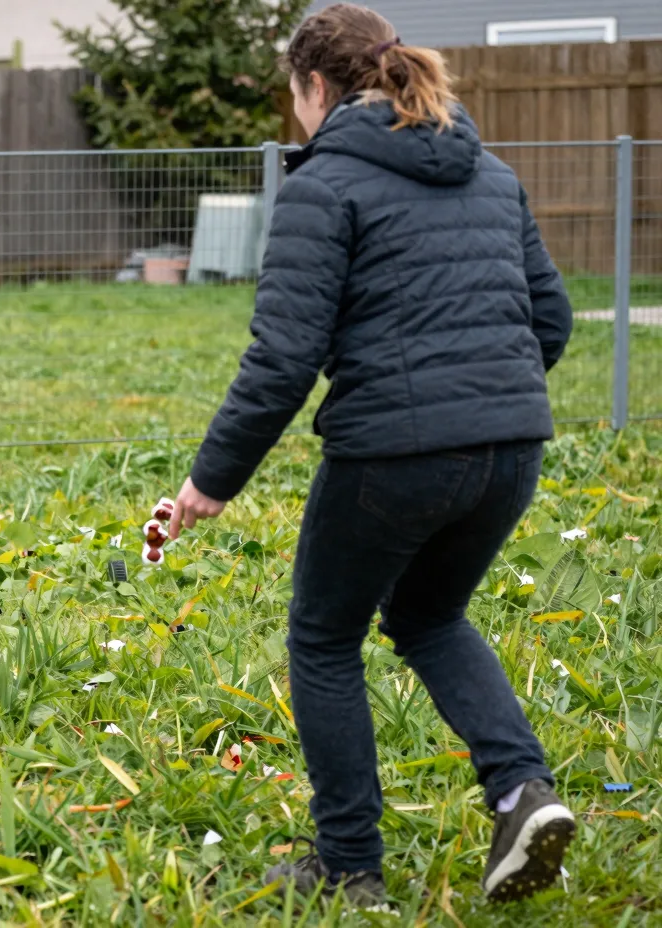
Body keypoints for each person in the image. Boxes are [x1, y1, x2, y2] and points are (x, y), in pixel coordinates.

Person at [166, 2, 575, 908]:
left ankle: (351, 867)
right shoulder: (491, 171)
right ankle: (520, 792)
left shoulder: (325, 182)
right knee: (428, 617)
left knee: (322, 638)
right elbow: (552, 322)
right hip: (512, 451)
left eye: (295, 99)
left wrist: (210, 480)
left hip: (394, 457)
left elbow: (282, 358)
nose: (297, 118)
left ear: (316, 88)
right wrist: (484, 396)